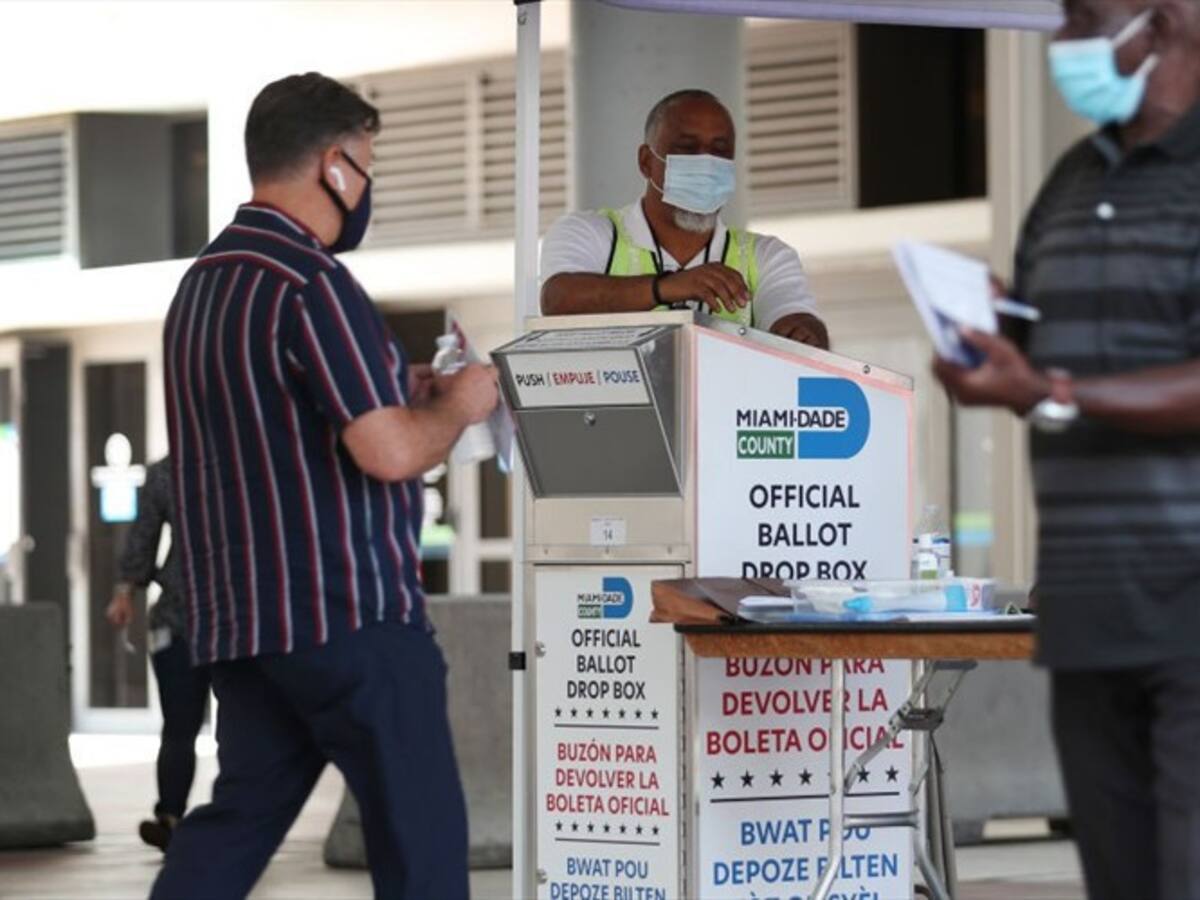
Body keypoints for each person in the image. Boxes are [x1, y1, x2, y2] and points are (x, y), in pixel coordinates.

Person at [150, 72, 498, 900]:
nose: (366, 184)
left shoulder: (201, 287)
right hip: (349, 616)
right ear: (336, 164)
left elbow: (286, 416)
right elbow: (386, 453)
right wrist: (459, 403)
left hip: (242, 624)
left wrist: (399, 386)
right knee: (422, 841)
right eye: (366, 162)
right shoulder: (311, 282)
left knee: (236, 825)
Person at [933, 2, 1200, 897]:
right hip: (1086, 612)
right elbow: (1044, 363)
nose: (1063, 41)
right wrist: (992, 343)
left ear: (1158, 27)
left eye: (1086, 16)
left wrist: (1050, 390)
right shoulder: (1070, 181)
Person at [540, 89, 829, 348]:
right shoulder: (591, 232)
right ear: (646, 162)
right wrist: (667, 286)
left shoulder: (767, 256)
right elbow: (558, 301)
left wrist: (803, 336)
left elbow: (799, 323)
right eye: (687, 148)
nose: (706, 162)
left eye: (720, 151)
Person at [106, 455, 210, 852]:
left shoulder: (248, 459)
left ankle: (237, 820)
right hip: (180, 619)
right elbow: (143, 537)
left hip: (236, 620)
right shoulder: (167, 472)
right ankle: (170, 817)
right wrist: (124, 592)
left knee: (240, 726)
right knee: (180, 727)